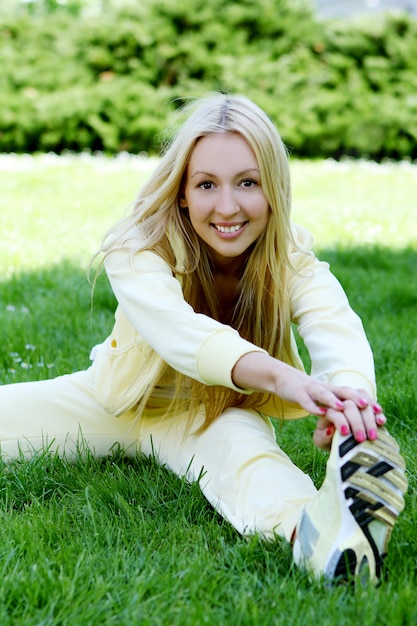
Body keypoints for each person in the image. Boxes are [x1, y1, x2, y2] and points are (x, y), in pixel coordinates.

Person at [0, 93, 407, 584]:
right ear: (184, 191)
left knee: (252, 469)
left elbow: (334, 324)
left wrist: (348, 403)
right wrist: (286, 380)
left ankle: (327, 541)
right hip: (113, 401)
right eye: (207, 184)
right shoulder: (136, 246)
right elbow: (180, 333)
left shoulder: (289, 252)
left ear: (273, 187)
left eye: (248, 183)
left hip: (215, 412)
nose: (227, 206)